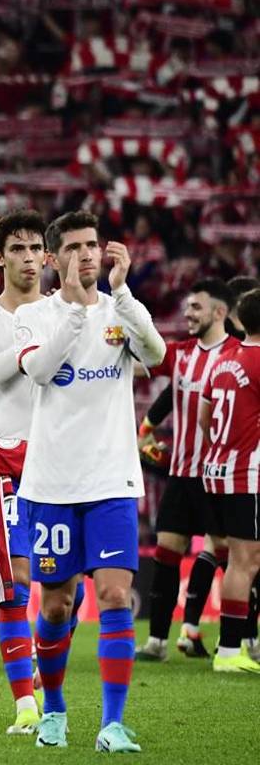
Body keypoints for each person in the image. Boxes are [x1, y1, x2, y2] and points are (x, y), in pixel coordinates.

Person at [14, 211, 165, 752]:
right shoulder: (34, 315)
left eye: (93, 245)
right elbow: (38, 371)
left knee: (116, 594)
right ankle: (54, 709)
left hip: (112, 480)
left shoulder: (120, 309)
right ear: (53, 259)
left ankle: (113, 724)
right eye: (74, 247)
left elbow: (156, 354)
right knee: (57, 605)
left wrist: (121, 295)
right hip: (52, 484)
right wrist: (77, 313)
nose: (87, 254)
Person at [0, 209, 71, 734]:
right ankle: (25, 704)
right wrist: (30, 348)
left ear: (47, 257)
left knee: (64, 590)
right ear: (0, 258)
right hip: (6, 457)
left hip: (60, 460)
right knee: (15, 582)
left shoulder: (65, 313)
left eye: (35, 249)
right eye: (17, 250)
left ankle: (47, 679)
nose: (28, 259)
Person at [135, 279, 238, 662]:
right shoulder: (180, 353)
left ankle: (241, 640)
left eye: (196, 307)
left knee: (234, 559)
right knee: (167, 552)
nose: (188, 314)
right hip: (181, 474)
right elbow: (141, 369)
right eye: (187, 306)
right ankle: (157, 642)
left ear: (219, 312)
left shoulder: (239, 356)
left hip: (221, 477)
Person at [200, 288, 260, 673]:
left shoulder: (223, 360)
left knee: (238, 559)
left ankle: (239, 643)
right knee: (244, 562)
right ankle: (229, 650)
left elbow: (204, 418)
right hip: (246, 476)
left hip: (216, 471)